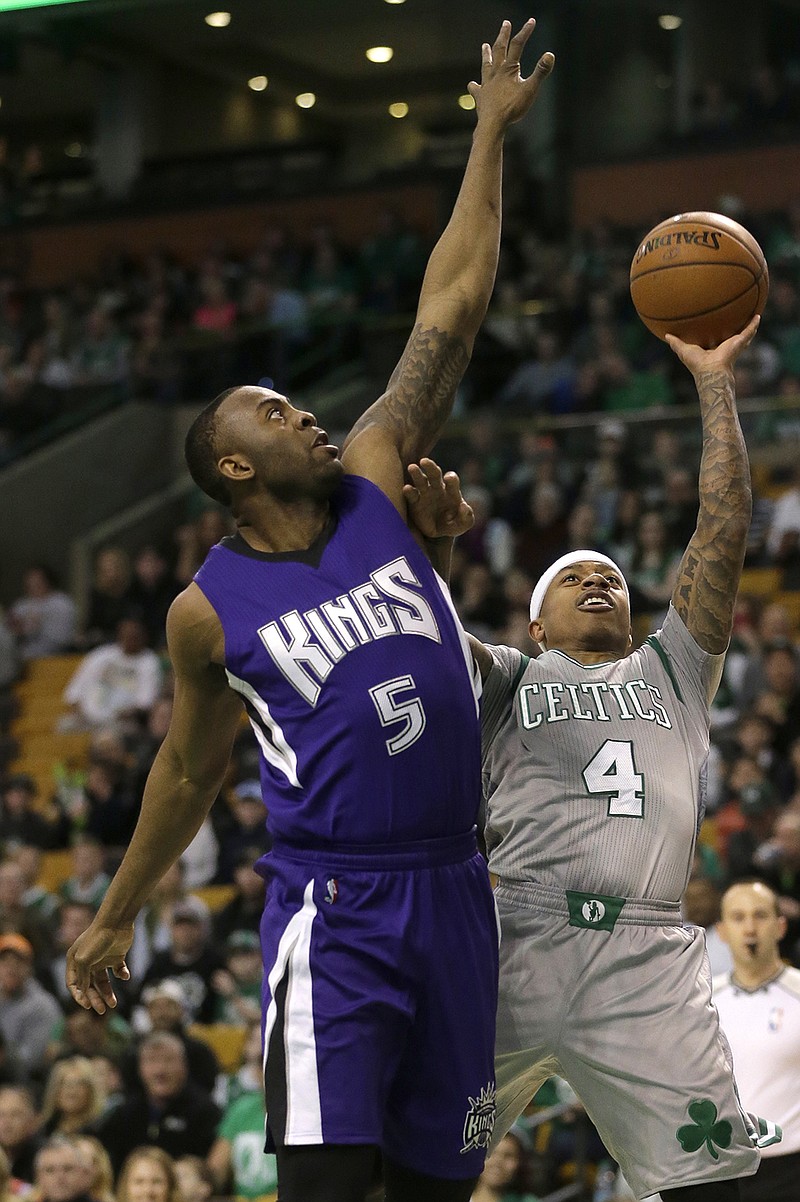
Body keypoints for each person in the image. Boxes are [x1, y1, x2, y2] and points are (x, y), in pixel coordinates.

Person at [65, 22, 554, 1202]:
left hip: (457, 889)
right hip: (333, 909)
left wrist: (484, 131)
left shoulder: (380, 479)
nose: (307, 419)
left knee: (442, 1182)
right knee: (327, 1184)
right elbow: (185, 773)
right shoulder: (204, 612)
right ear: (230, 468)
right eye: (275, 414)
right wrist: (113, 914)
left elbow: (451, 302)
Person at [407, 317, 779, 1201]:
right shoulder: (506, 675)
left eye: (609, 572)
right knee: (414, 1174)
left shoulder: (674, 669)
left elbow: (721, 535)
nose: (597, 579)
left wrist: (713, 381)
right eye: (571, 577)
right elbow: (415, 634)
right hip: (518, 941)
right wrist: (436, 548)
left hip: (647, 953)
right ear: (536, 624)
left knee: (714, 1187)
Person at [713, 880, 800, 1202]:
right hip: (721, 1170)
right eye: (738, 917)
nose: (749, 928)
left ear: (780, 926)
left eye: (760, 915)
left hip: (791, 1171)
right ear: (721, 931)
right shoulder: (701, 1003)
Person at [92, 1032, 220, 1173]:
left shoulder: (205, 1112)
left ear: (184, 1066)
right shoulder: (126, 1111)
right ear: (140, 1068)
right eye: (152, 1061)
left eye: (168, 1060)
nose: (160, 1070)